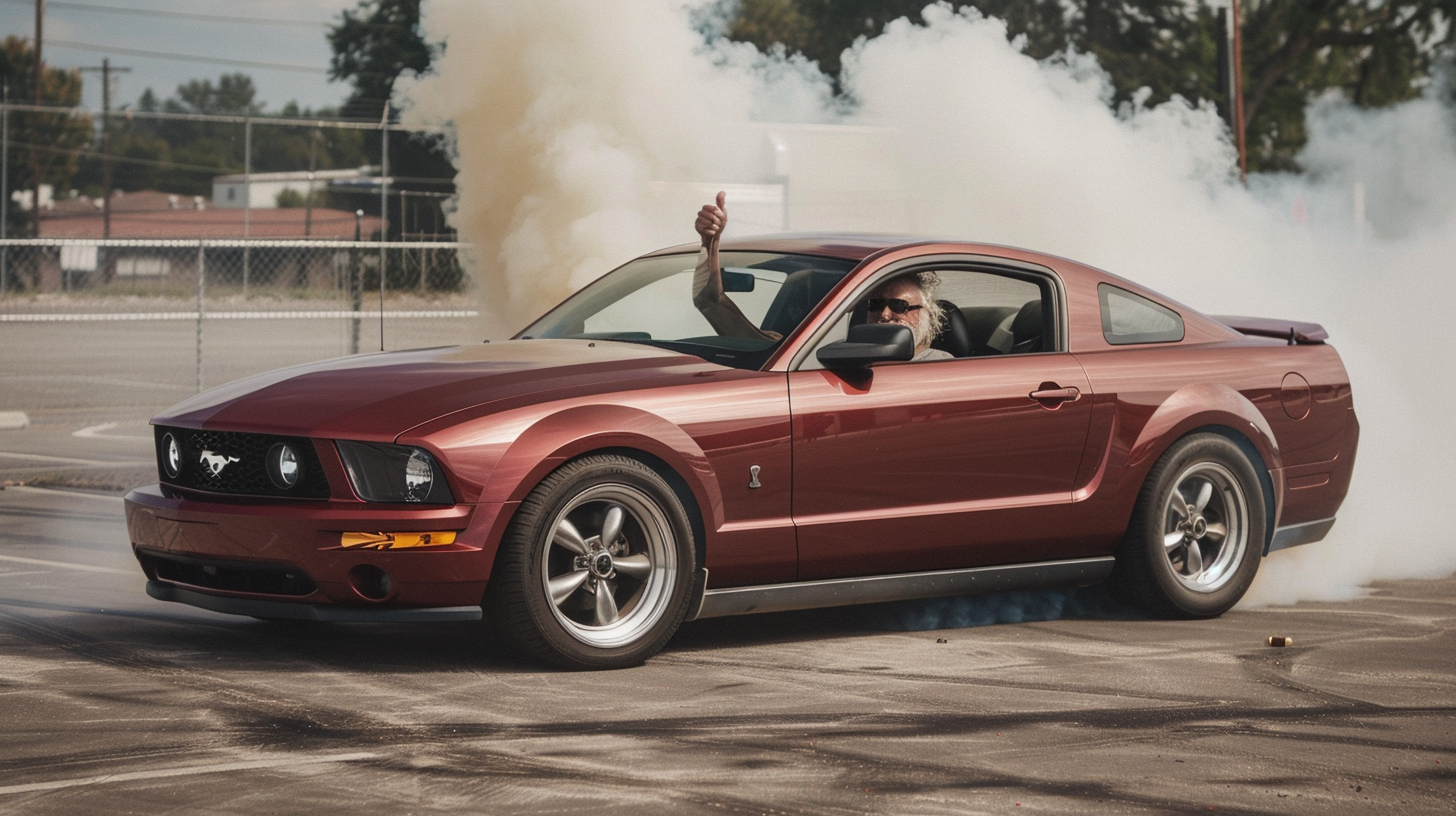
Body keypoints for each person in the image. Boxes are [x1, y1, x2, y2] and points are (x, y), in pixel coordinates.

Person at [692, 191, 949, 360]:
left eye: (899, 306)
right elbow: (711, 301)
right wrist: (710, 240)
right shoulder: (805, 350)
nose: (883, 314)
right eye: (875, 304)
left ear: (926, 314)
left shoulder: (940, 365)